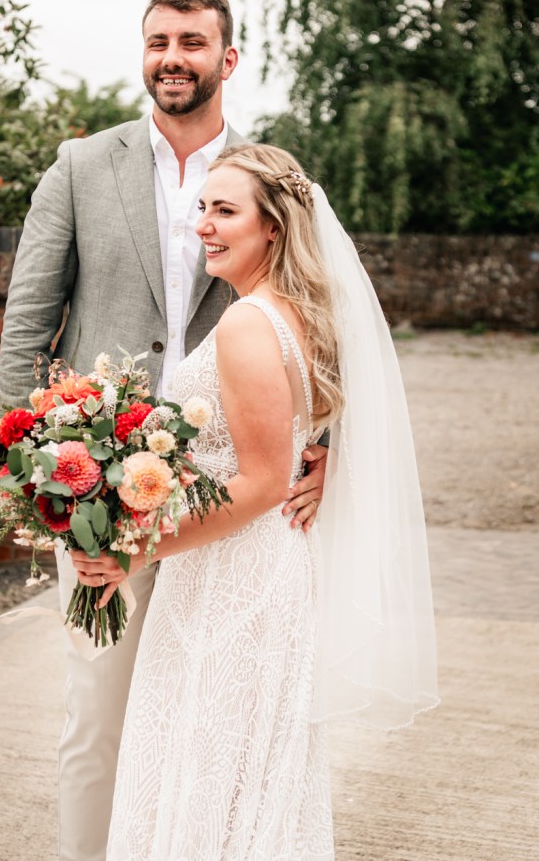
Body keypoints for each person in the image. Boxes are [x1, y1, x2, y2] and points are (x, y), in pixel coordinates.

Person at [0, 0, 329, 861]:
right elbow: (28, 319)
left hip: (227, 499)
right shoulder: (80, 166)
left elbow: (322, 322)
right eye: (156, 41)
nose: (171, 56)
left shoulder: (265, 181)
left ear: (226, 58)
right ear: (142, 53)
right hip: (95, 485)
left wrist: (320, 442)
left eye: (191, 40)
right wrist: (26, 468)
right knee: (99, 710)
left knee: (202, 717)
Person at [72, 144, 440, 860]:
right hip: (252, 568)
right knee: (242, 775)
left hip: (231, 579)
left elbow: (263, 480)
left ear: (272, 226)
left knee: (209, 771)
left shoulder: (247, 323)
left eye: (224, 210)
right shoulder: (288, 314)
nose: (203, 224)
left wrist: (130, 550)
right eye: (202, 208)